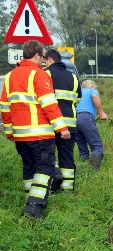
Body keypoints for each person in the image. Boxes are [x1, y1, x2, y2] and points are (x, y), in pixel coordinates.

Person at [0, 40, 70, 219]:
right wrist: (61, 128)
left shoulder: (10, 77)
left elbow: (5, 108)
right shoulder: (39, 75)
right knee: (45, 168)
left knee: (29, 168)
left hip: (21, 136)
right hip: (39, 134)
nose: (44, 61)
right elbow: (49, 104)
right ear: (37, 55)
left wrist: (9, 132)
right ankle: (34, 208)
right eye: (43, 57)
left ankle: (30, 200)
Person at [44, 49, 82, 192]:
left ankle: (54, 179)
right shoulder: (73, 77)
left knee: (48, 153)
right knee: (67, 155)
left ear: (50, 60)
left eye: (45, 61)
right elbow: (78, 99)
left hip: (50, 123)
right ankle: (68, 189)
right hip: (69, 123)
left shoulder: (46, 74)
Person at [75, 80, 107, 170]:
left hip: (74, 119)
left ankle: (83, 166)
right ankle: (94, 169)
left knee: (82, 147)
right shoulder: (92, 90)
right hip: (86, 118)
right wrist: (101, 113)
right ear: (92, 86)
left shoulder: (78, 93)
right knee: (97, 145)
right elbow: (94, 96)